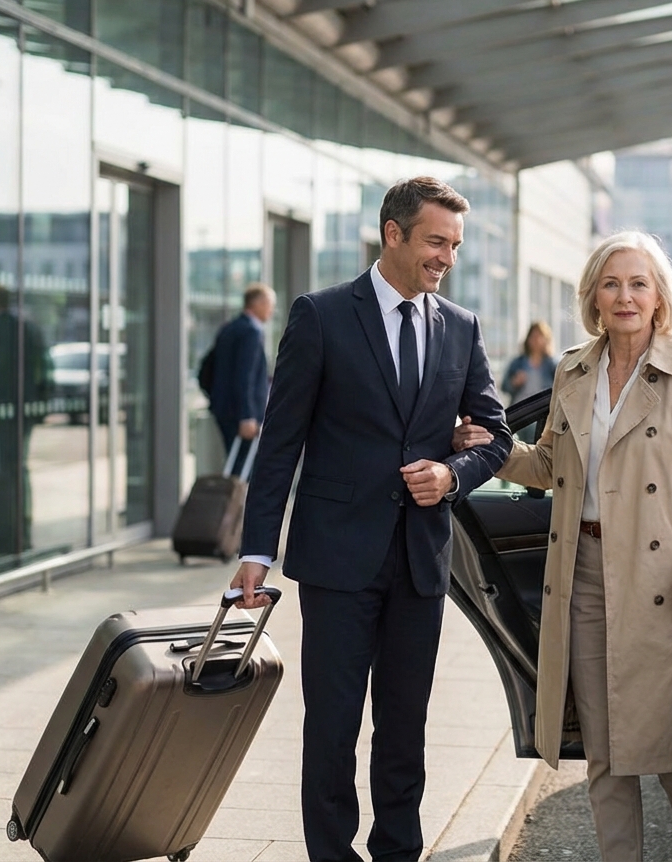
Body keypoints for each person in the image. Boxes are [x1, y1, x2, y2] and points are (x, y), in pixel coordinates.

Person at [232, 176, 512, 862]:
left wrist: (451, 474)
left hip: (419, 560)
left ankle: (397, 851)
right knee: (331, 727)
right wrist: (256, 551)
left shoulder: (461, 326)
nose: (447, 257)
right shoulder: (321, 315)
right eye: (435, 241)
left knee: (405, 727)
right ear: (394, 234)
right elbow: (281, 443)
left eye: (455, 245)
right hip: (336, 559)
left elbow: (497, 437)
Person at [454, 230, 672, 862]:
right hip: (583, 574)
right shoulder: (574, 369)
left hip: (667, 584)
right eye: (612, 284)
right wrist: (489, 447)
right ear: (593, 295)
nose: (625, 296)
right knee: (604, 753)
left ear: (659, 296)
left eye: (638, 283)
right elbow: (551, 467)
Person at [0, 284, 50, 555]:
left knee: (0, 471)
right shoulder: (27, 328)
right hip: (24, 410)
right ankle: (23, 529)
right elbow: (43, 366)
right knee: (19, 467)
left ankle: (4, 534)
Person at [207, 282, 276, 464]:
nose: (272, 310)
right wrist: (247, 415)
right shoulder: (251, 332)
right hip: (242, 416)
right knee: (243, 469)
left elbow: (206, 370)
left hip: (225, 410)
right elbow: (245, 376)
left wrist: (216, 397)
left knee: (236, 464)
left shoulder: (229, 329)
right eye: (270, 304)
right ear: (258, 303)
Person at [501, 320, 558, 403]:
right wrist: (515, 382)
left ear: (546, 340)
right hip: (521, 408)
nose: (536, 340)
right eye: (533, 336)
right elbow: (504, 387)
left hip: (543, 408)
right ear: (528, 339)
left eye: (540, 336)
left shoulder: (552, 365)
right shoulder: (517, 363)